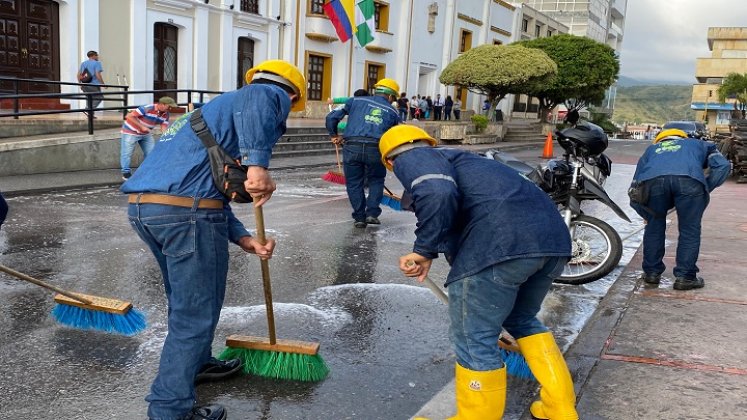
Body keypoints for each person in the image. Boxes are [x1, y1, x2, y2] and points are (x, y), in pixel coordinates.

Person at [121, 59, 305, 420]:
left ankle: (199, 363)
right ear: (292, 94)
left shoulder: (210, 114)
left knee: (186, 301)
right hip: (185, 214)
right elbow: (260, 98)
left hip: (147, 208)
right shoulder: (265, 92)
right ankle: (170, 411)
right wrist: (257, 165)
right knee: (195, 314)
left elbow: (205, 193)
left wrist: (243, 239)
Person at [379, 125, 577, 420]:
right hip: (551, 243)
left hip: (498, 248)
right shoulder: (466, 161)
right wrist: (430, 255)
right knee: (521, 320)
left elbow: (437, 191)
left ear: (390, 161)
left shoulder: (411, 156)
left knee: (475, 339)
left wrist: (422, 250)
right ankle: (559, 407)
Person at [630, 128, 730, 291]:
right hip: (690, 181)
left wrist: (644, 212)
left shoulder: (651, 150)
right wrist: (704, 187)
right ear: (683, 137)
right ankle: (685, 277)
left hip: (653, 184)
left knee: (654, 226)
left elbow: (635, 186)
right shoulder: (701, 144)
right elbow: (723, 166)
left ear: (660, 140)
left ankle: (651, 274)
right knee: (689, 230)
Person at [325, 78, 400, 228]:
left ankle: (359, 218)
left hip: (352, 147)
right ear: (391, 97)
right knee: (376, 180)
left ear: (376, 91)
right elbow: (394, 135)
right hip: (376, 150)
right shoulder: (393, 112)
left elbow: (331, 117)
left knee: (354, 183)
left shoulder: (355, 101)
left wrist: (334, 135)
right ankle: (372, 214)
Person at [120, 96, 175, 180]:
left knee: (151, 152)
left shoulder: (166, 114)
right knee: (127, 153)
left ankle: (144, 171)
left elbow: (164, 126)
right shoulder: (147, 108)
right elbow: (129, 116)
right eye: (169, 106)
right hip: (130, 131)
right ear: (162, 104)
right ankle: (126, 173)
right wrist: (141, 126)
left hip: (146, 133)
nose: (170, 108)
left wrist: (167, 136)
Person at [77, 50, 105, 116]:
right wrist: (103, 84)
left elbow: (78, 74)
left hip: (85, 84)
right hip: (94, 84)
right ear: (93, 56)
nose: (97, 56)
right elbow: (97, 74)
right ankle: (88, 109)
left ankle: (90, 115)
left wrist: (80, 84)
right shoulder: (97, 63)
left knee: (89, 98)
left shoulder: (83, 63)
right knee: (99, 98)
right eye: (96, 55)